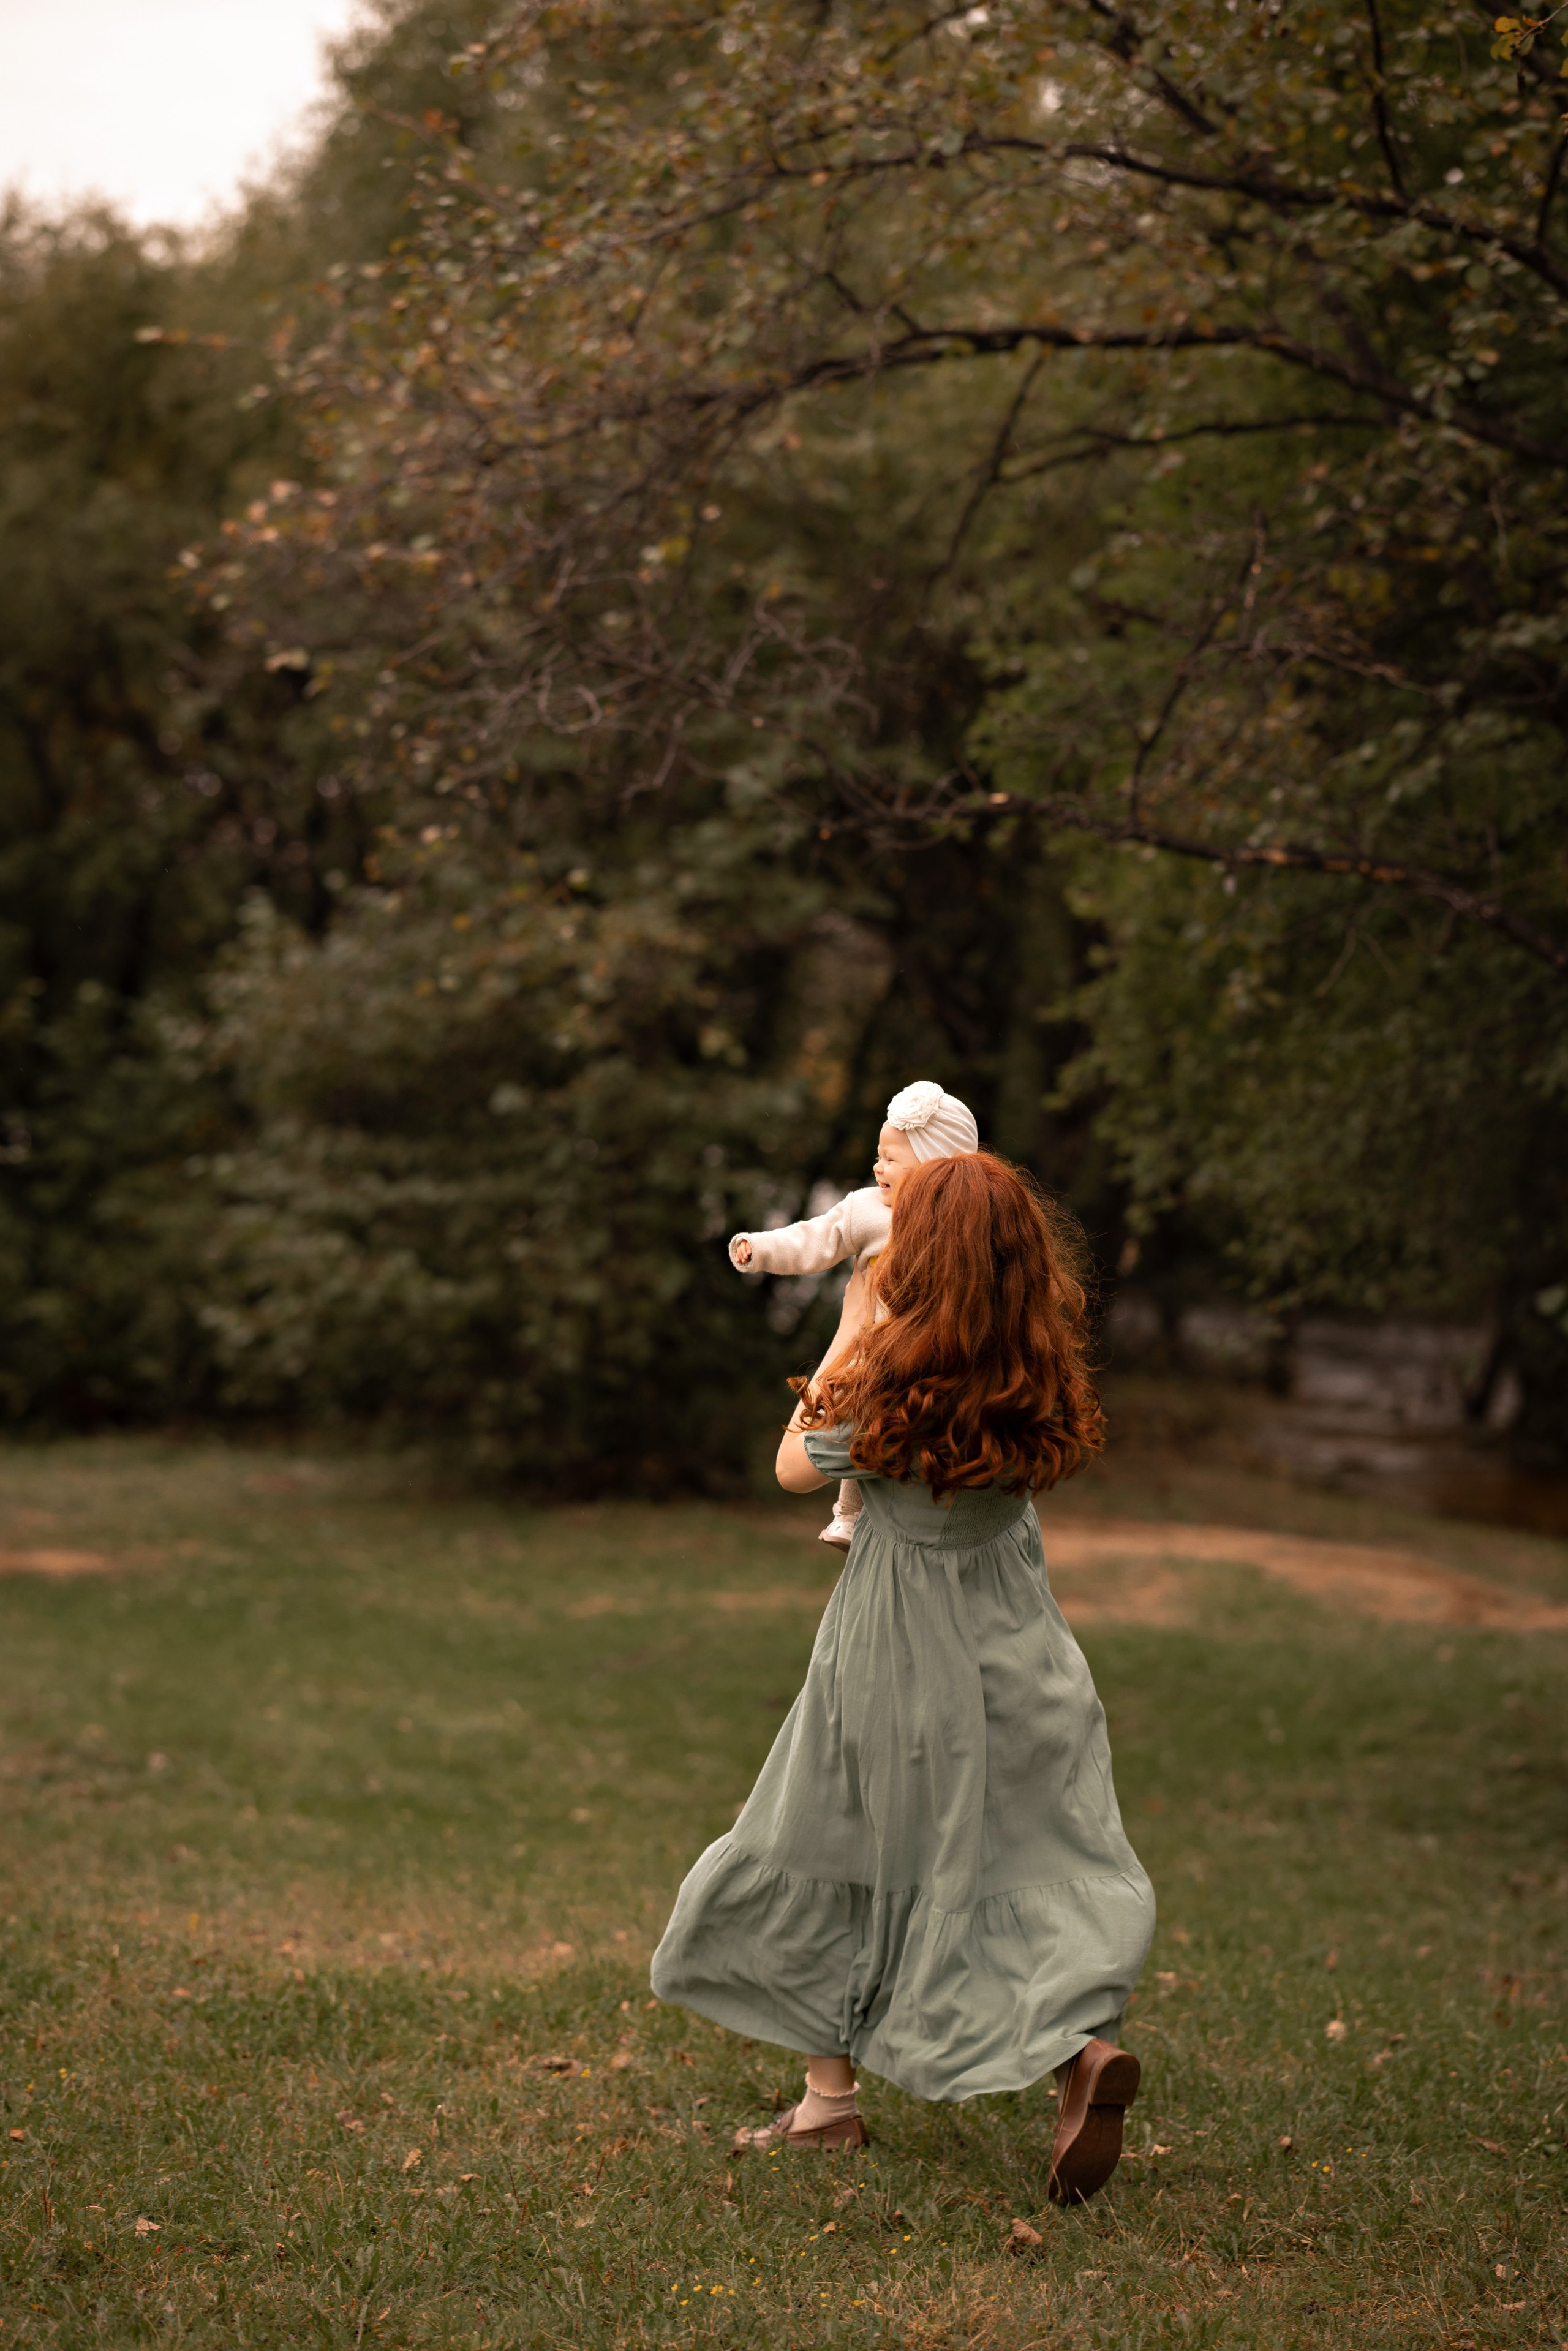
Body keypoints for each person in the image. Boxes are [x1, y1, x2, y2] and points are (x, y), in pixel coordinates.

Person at [652, 1150, 1155, 2205]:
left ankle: (828, 2103)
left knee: (828, 1840)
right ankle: (1077, 2053)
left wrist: (852, 1318)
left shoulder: (887, 1379)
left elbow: (793, 1467)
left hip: (891, 1658)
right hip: (1023, 1656)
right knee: (1026, 1853)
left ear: (914, 1259)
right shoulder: (1036, 1375)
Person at [728, 1081, 978, 1550]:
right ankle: (847, 1515)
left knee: (897, 1427)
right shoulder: (866, 1209)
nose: (878, 1167)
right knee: (858, 1424)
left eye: (892, 1160)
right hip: (874, 1350)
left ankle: (893, 1505)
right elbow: (813, 1238)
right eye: (878, 1156)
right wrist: (759, 1249)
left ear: (935, 1165)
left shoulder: (964, 1223)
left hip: (933, 1353)